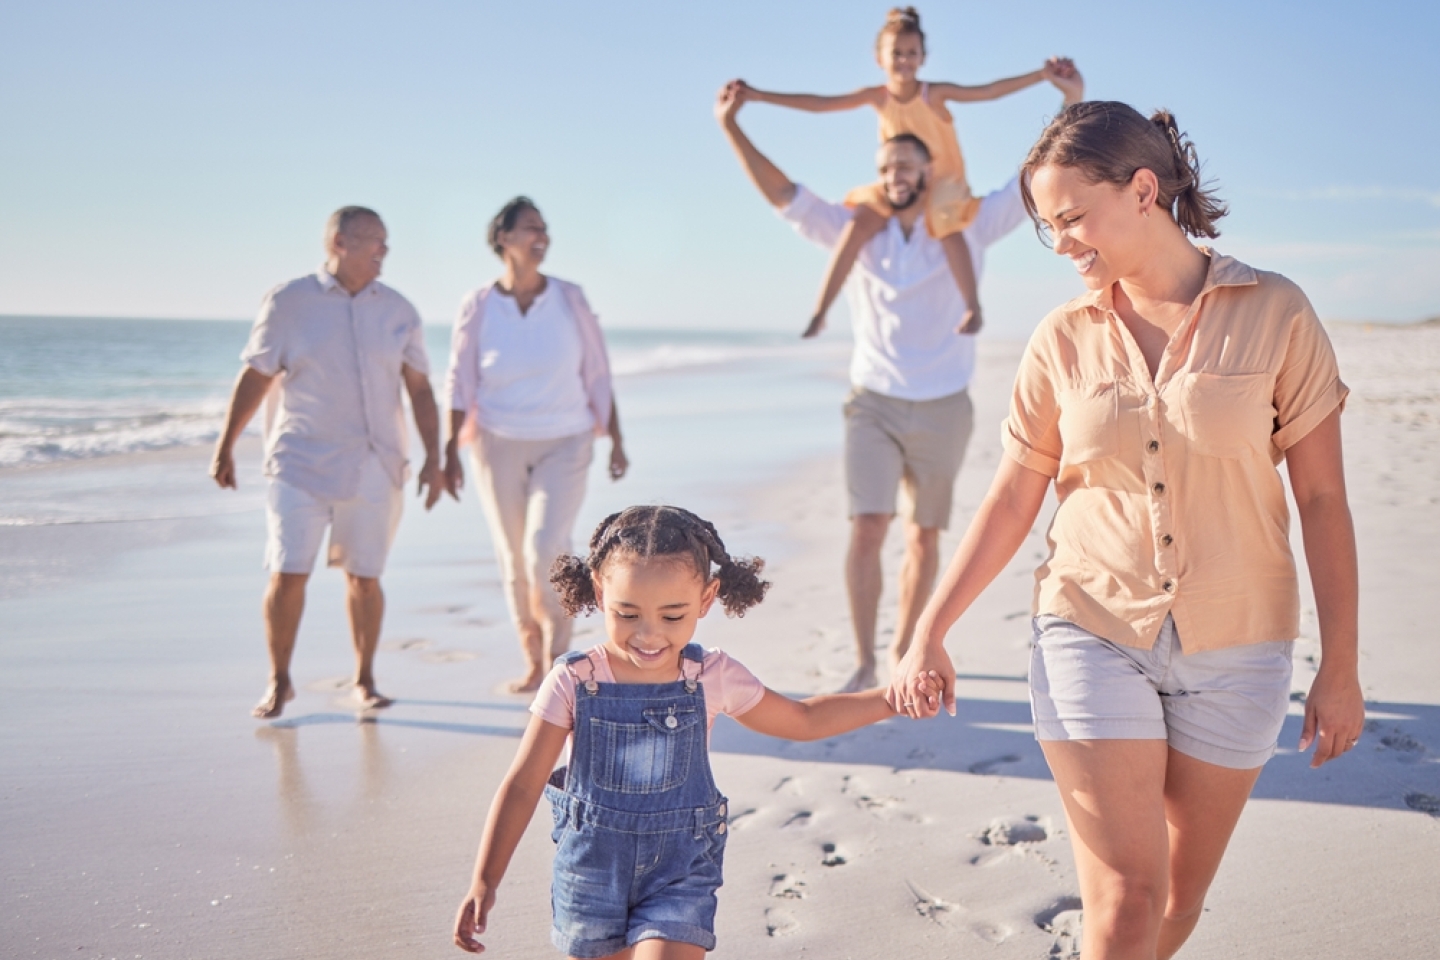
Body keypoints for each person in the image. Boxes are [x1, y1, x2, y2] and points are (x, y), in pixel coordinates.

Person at [889, 102, 1365, 959]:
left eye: (1072, 217)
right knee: (1126, 900)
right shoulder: (1060, 339)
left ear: (1143, 190)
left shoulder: (1277, 313)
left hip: (1240, 640)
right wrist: (931, 627)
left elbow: (1324, 500)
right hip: (1090, 625)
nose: (1062, 241)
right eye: (1046, 226)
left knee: (1178, 900)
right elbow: (1011, 498)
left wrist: (1342, 665)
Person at [715, 68, 1084, 693]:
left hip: (943, 406)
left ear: (929, 172)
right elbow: (783, 194)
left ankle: (904, 649)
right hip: (874, 403)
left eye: (910, 166)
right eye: (889, 167)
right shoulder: (857, 228)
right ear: (880, 175)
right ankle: (863, 659)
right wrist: (733, 126)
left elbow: (1028, 184)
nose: (898, 176)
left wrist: (1068, 104)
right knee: (868, 526)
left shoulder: (967, 225)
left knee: (922, 536)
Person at [452, 505, 910, 959]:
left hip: (680, 869)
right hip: (590, 873)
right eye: (627, 614)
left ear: (706, 599)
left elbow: (803, 720)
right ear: (599, 590)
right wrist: (485, 879)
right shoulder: (574, 682)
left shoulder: (711, 676)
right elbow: (522, 784)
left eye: (673, 616)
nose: (649, 635)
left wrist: (894, 697)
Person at [211, 206, 446, 719]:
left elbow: (420, 390)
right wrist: (226, 443)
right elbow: (255, 376)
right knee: (287, 570)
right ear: (339, 242)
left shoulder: (399, 310)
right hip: (300, 462)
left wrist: (436, 457)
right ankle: (279, 681)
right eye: (374, 242)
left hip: (374, 463)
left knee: (365, 576)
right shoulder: (289, 301)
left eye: (386, 242)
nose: (384, 251)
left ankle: (365, 679)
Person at [734, 7, 1076, 338]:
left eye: (912, 53)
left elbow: (988, 91)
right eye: (896, 53)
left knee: (946, 222)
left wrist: (1041, 76)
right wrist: (759, 96)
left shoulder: (934, 94)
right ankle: (820, 311)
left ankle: (972, 306)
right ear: (879, 58)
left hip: (943, 183)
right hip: (898, 182)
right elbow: (820, 103)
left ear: (923, 57)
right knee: (857, 224)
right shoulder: (878, 97)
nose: (904, 60)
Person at [443, 197, 629, 695]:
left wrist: (617, 439)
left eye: (545, 229)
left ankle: (557, 658)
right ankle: (532, 655)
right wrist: (446, 451)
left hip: (566, 437)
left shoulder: (569, 298)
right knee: (512, 555)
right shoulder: (479, 305)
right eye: (530, 228)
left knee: (546, 545)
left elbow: (598, 370)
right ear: (503, 239)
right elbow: (459, 379)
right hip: (496, 441)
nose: (541, 237)